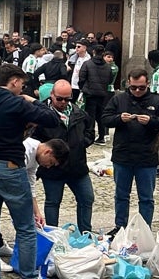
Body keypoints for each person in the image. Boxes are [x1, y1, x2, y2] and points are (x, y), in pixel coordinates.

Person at [0, 64, 60, 279]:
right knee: (25, 227)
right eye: (22, 85)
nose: (22, 89)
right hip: (9, 166)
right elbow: (53, 119)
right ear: (14, 81)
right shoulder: (16, 103)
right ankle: (28, 274)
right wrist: (32, 100)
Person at [101, 69, 159, 232]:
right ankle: (120, 226)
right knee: (121, 196)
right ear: (128, 84)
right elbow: (105, 118)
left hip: (147, 157)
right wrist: (119, 119)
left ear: (148, 84)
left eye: (141, 87)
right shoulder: (119, 99)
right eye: (134, 88)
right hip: (123, 155)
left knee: (146, 198)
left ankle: (145, 229)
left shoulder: (158, 101)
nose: (137, 91)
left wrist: (152, 121)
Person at [34, 80, 95, 231]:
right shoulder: (41, 113)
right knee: (53, 202)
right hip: (52, 168)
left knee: (87, 198)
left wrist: (81, 143)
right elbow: (33, 139)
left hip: (77, 166)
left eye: (67, 99)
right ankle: (52, 235)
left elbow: (90, 131)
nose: (63, 102)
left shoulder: (78, 112)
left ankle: (85, 233)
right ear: (51, 95)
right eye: (59, 98)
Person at [78, 45, 112, 145]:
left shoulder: (87, 64)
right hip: (102, 94)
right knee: (100, 115)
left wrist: (83, 88)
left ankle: (90, 135)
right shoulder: (107, 66)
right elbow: (110, 79)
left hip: (90, 94)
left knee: (90, 115)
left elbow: (81, 78)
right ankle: (102, 136)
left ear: (93, 52)